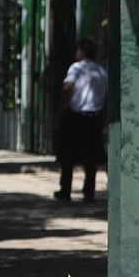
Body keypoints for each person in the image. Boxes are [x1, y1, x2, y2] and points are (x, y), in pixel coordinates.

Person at [56, 39, 107, 203]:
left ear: (82, 52)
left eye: (78, 50)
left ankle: (66, 190)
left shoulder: (76, 68)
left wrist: (62, 105)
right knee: (91, 158)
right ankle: (89, 191)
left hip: (76, 115)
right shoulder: (101, 71)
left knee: (68, 156)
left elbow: (67, 87)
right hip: (94, 116)